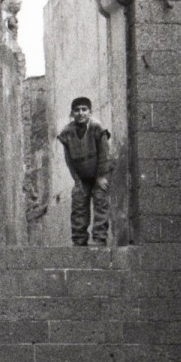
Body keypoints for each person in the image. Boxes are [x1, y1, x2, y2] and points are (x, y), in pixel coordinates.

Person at [56, 96, 113, 248]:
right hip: (82, 176)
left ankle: (100, 240)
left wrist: (101, 177)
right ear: (72, 113)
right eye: (77, 110)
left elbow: (104, 154)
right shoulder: (67, 133)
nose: (80, 113)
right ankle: (79, 241)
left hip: (101, 172)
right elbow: (69, 159)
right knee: (78, 201)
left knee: (100, 199)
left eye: (84, 109)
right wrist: (77, 180)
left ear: (90, 112)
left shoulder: (97, 128)